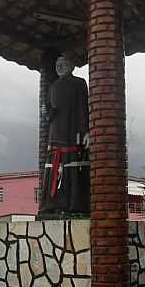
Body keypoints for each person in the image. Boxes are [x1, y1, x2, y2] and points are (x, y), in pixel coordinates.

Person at [38, 54, 90, 218]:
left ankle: (75, 205)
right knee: (53, 169)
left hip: (73, 133)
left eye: (64, 63)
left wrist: (86, 131)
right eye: (57, 64)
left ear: (72, 66)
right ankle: (51, 204)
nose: (59, 66)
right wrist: (47, 112)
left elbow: (83, 108)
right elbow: (49, 111)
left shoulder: (79, 84)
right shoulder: (52, 86)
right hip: (55, 135)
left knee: (73, 170)